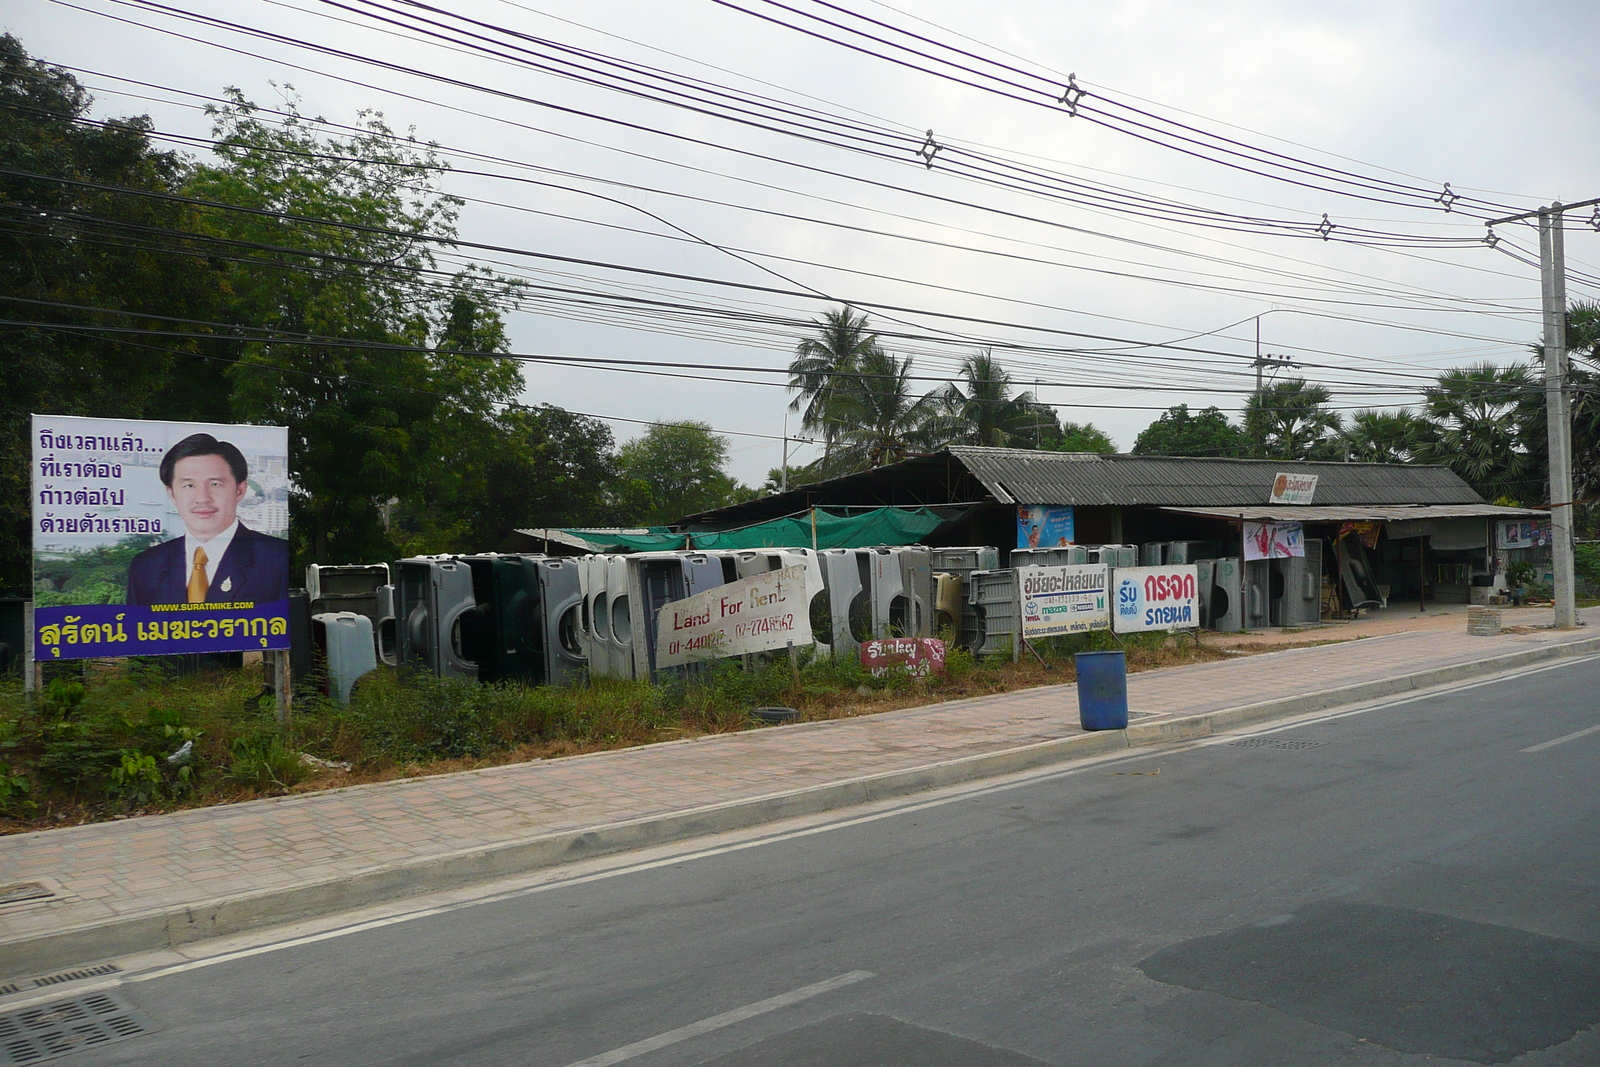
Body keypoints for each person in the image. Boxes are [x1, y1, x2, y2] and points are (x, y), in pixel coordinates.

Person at [126, 433, 290, 606]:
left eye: (215, 484)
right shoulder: (147, 566)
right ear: (172, 494)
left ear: (239, 490)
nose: (202, 498)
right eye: (189, 485)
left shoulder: (277, 559)